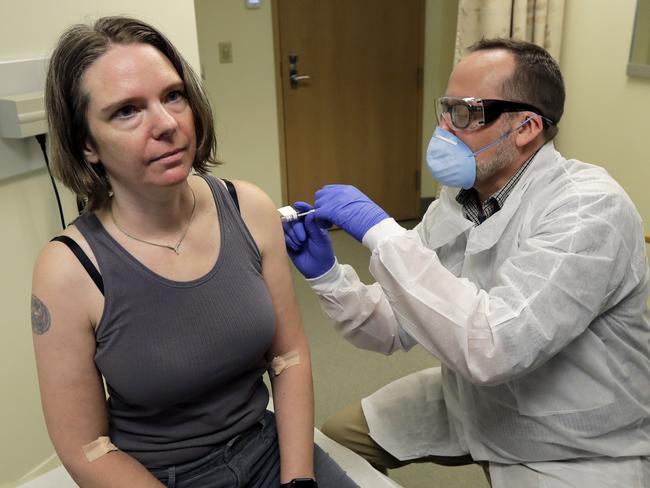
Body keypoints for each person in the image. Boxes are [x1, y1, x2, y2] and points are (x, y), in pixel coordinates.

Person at [283, 38, 650, 487]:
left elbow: (494, 347)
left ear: (526, 127)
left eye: (465, 113)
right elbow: (394, 325)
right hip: (474, 402)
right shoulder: (457, 202)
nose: (442, 129)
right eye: (445, 109)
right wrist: (329, 276)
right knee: (338, 441)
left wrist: (383, 234)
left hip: (572, 441)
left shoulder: (588, 209)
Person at [31, 16, 358, 488]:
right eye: (126, 111)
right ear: (86, 144)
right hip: (163, 477)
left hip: (267, 447)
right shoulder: (67, 271)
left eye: (173, 95)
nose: (166, 124)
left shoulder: (248, 207)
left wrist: (299, 480)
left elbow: (288, 356)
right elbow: (87, 449)